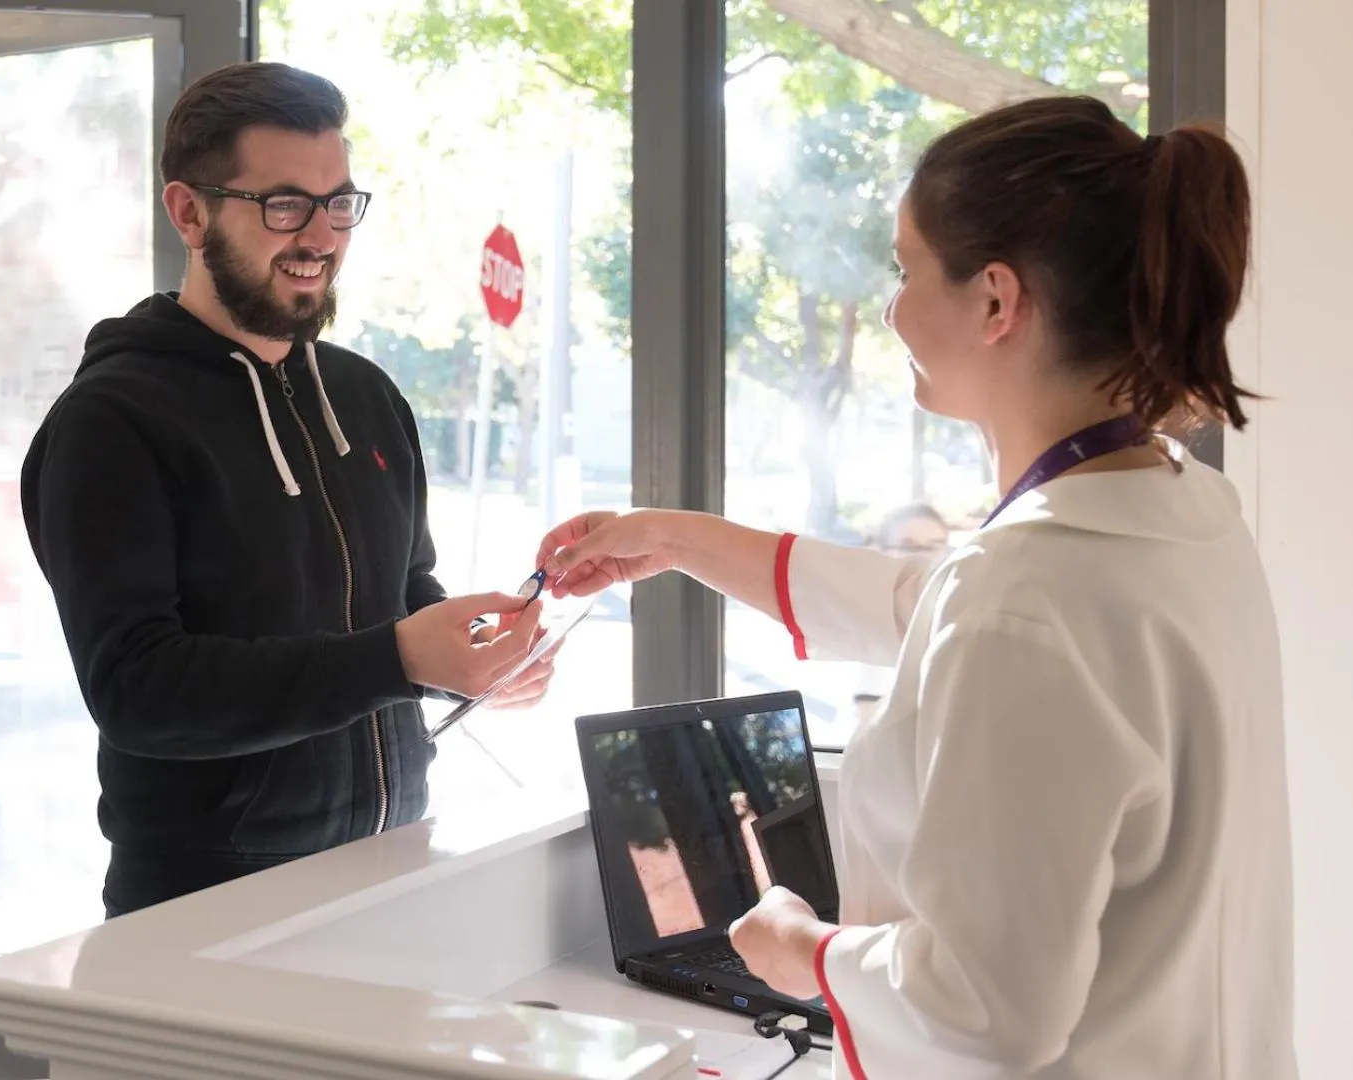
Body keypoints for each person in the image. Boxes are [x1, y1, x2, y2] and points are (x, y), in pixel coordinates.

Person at [537, 96, 1294, 1080]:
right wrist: (668, 537)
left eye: (903, 269)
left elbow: (983, 1012)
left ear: (993, 301)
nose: (889, 307)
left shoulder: (1025, 594)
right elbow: (925, 605)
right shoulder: (1183, 517)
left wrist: (802, 951)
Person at [21, 61, 552, 920]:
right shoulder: (112, 421)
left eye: (339, 203)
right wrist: (401, 658)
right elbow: (137, 690)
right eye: (283, 205)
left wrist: (477, 658)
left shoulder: (369, 396)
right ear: (189, 212)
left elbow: (404, 597)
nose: (320, 235)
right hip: (204, 900)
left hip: (389, 865)